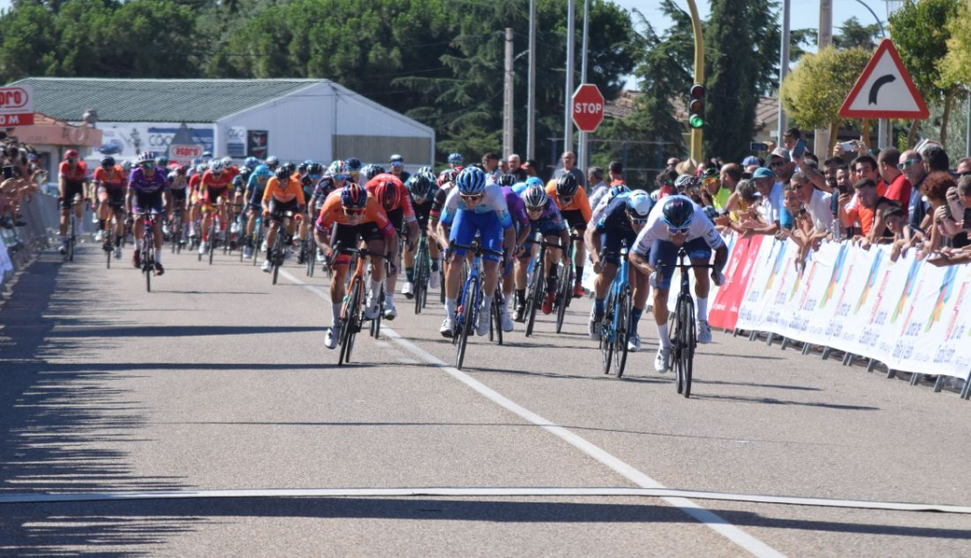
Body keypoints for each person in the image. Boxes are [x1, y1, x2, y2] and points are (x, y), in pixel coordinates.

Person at [628, 196, 727, 372]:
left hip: (696, 238)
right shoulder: (655, 224)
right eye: (673, 229)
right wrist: (651, 272)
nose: (679, 235)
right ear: (665, 223)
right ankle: (664, 345)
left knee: (701, 269)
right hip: (663, 242)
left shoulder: (700, 221)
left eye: (683, 229)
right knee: (659, 293)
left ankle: (702, 320)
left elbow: (721, 248)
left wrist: (717, 270)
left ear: (690, 223)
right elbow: (634, 254)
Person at [316, 183, 399, 348]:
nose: (354, 216)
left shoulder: (372, 205)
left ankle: (373, 299)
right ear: (342, 206)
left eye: (358, 212)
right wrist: (327, 251)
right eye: (350, 212)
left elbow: (392, 236)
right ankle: (335, 325)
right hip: (343, 227)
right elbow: (318, 231)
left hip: (369, 225)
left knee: (378, 255)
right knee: (338, 275)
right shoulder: (332, 203)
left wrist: (391, 259)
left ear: (364, 207)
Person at [437, 167, 515, 337]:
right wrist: (445, 246)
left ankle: (485, 310)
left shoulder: (494, 194)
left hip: (491, 222)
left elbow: (509, 229)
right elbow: (441, 225)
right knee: (455, 261)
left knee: (491, 266)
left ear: (482, 192)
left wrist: (507, 255)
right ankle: (450, 316)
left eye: (474, 197)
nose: (470, 201)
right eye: (466, 197)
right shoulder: (455, 195)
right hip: (465, 218)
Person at [584, 190, 653, 351]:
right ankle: (599, 308)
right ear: (628, 212)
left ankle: (632, 329)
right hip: (615, 230)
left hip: (639, 238)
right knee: (607, 271)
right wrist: (595, 258)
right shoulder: (615, 209)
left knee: (642, 278)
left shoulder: (653, 211)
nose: (640, 225)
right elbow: (594, 233)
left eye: (644, 221)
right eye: (637, 221)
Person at [365, 171, 419, 319]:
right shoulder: (369, 188)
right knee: (368, 237)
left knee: (393, 249)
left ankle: (389, 301)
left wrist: (410, 244)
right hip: (374, 206)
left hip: (396, 211)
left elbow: (414, 226)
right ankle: (362, 272)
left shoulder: (403, 192)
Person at [125, 151, 171, 275]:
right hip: (140, 200)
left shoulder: (161, 173)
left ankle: (157, 262)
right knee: (138, 220)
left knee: (156, 224)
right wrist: (129, 213)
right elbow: (129, 196)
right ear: (140, 167)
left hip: (155, 200)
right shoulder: (135, 174)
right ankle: (137, 249)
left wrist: (166, 212)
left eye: (151, 165)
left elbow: (167, 196)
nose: (148, 168)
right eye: (144, 166)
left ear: (155, 165)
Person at [545, 173, 591, 298]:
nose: (562, 201)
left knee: (580, 240)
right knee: (551, 242)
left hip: (573, 212)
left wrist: (584, 237)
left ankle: (578, 282)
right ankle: (551, 277)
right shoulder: (549, 190)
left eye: (566, 199)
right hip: (553, 210)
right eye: (560, 197)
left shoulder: (580, 194)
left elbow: (588, 221)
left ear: (573, 195)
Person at [401, 170, 442, 298]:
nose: (419, 198)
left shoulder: (435, 191)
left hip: (430, 207)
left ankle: (435, 267)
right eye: (416, 195)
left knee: (432, 236)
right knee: (408, 243)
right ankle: (409, 280)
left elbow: (439, 215)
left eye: (422, 195)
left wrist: (433, 228)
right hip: (411, 208)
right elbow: (401, 214)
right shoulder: (405, 190)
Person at [260, 166, 306, 272]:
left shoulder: (295, 183)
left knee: (292, 219)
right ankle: (268, 259)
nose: (282, 183)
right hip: (277, 203)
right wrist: (266, 209)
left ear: (288, 179)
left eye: (284, 180)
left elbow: (302, 204)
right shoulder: (272, 181)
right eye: (279, 180)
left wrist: (299, 214)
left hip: (291, 204)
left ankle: (289, 242)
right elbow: (265, 200)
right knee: (273, 226)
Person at [92, 156, 126, 259]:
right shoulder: (98, 171)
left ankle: (118, 245)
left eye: (109, 169)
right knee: (103, 201)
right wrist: (94, 201)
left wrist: (124, 202)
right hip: (105, 188)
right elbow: (95, 188)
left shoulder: (120, 171)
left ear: (113, 167)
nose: (106, 171)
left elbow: (125, 189)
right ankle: (101, 230)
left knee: (119, 218)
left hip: (118, 191)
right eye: (104, 169)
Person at [197, 160, 234, 255]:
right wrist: (201, 198)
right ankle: (203, 241)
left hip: (222, 192)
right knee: (206, 215)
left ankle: (222, 230)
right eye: (214, 174)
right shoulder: (206, 175)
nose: (216, 176)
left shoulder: (227, 175)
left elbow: (231, 191)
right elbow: (201, 191)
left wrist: (230, 200)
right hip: (209, 192)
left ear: (222, 172)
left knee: (221, 202)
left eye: (218, 174)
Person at [57, 149, 88, 254]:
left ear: (77, 159)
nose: (70, 162)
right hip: (68, 187)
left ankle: (79, 223)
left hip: (78, 186)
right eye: (68, 159)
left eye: (72, 159)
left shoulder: (82, 166)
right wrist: (62, 194)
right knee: (64, 213)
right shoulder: (63, 166)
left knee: (78, 201)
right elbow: (61, 181)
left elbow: (84, 183)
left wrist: (86, 195)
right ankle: (62, 241)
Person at [876, 148, 912, 218]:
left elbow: (890, 213)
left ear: (884, 166)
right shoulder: (895, 182)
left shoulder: (902, 180)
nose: (878, 170)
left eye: (878, 166)